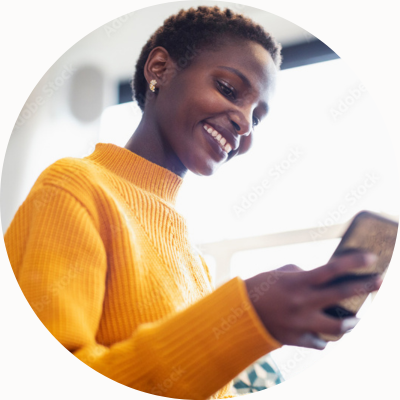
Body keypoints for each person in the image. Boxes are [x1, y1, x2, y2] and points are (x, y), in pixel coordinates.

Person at [4, 6, 381, 400]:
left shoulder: (193, 259)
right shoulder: (74, 188)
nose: (245, 125)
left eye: (258, 117)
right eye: (229, 89)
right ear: (160, 69)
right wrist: (247, 316)